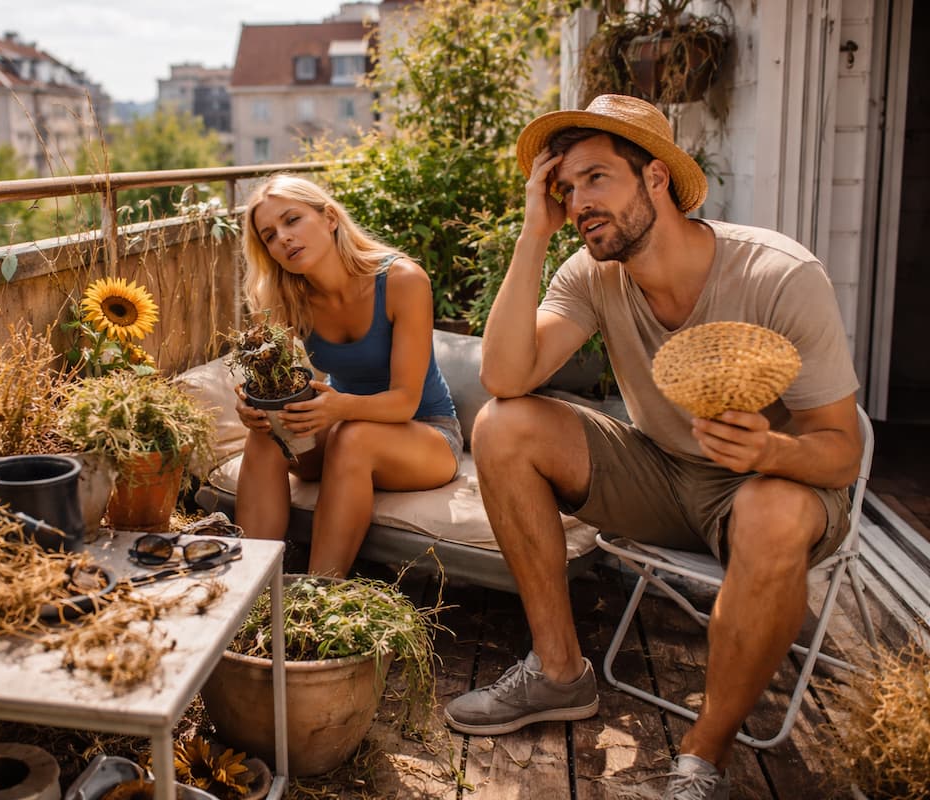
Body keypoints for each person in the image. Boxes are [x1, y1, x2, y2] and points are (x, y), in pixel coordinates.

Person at [443, 95, 861, 800]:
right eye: (566, 188)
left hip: (771, 490)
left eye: (597, 178)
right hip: (664, 474)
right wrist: (532, 237)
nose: (577, 202)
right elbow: (504, 377)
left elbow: (841, 452)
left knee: (771, 515)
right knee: (501, 426)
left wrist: (767, 452)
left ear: (657, 180)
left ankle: (702, 756)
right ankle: (559, 673)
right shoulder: (593, 272)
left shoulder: (778, 275)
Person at [233, 174, 462, 577]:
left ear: (330, 218)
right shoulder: (286, 297)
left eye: (292, 220)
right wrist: (256, 406)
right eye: (269, 235)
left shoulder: (402, 280)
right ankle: (246, 589)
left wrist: (338, 408)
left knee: (351, 436)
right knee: (269, 432)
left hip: (424, 434)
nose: (282, 238)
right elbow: (284, 387)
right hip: (341, 426)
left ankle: (319, 599)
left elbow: (405, 401)